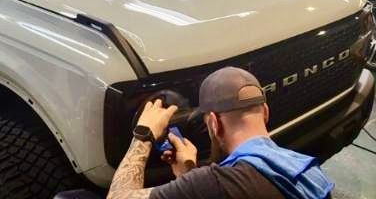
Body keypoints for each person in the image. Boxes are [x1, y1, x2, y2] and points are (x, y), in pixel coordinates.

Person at [106, 67, 334, 199]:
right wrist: (187, 176)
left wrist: (143, 135)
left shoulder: (216, 183)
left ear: (214, 123)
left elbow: (117, 197)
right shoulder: (306, 171)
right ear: (265, 112)